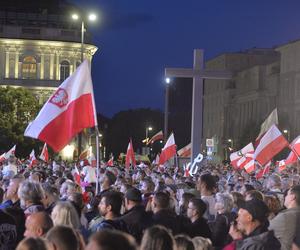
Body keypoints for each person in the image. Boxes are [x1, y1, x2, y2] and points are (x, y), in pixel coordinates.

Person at [269, 185, 300, 250]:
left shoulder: (286, 216)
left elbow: (265, 232)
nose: (285, 197)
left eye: (287, 194)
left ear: (292, 197)